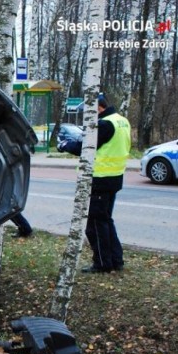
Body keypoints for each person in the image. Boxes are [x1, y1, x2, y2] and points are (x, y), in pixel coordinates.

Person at [57, 94, 131, 273]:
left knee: (95, 224)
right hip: (114, 177)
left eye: (89, 113)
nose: (87, 117)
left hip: (100, 179)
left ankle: (102, 263)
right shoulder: (121, 120)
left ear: (98, 108)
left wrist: (65, 145)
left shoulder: (104, 124)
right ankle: (116, 259)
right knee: (106, 220)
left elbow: (86, 148)